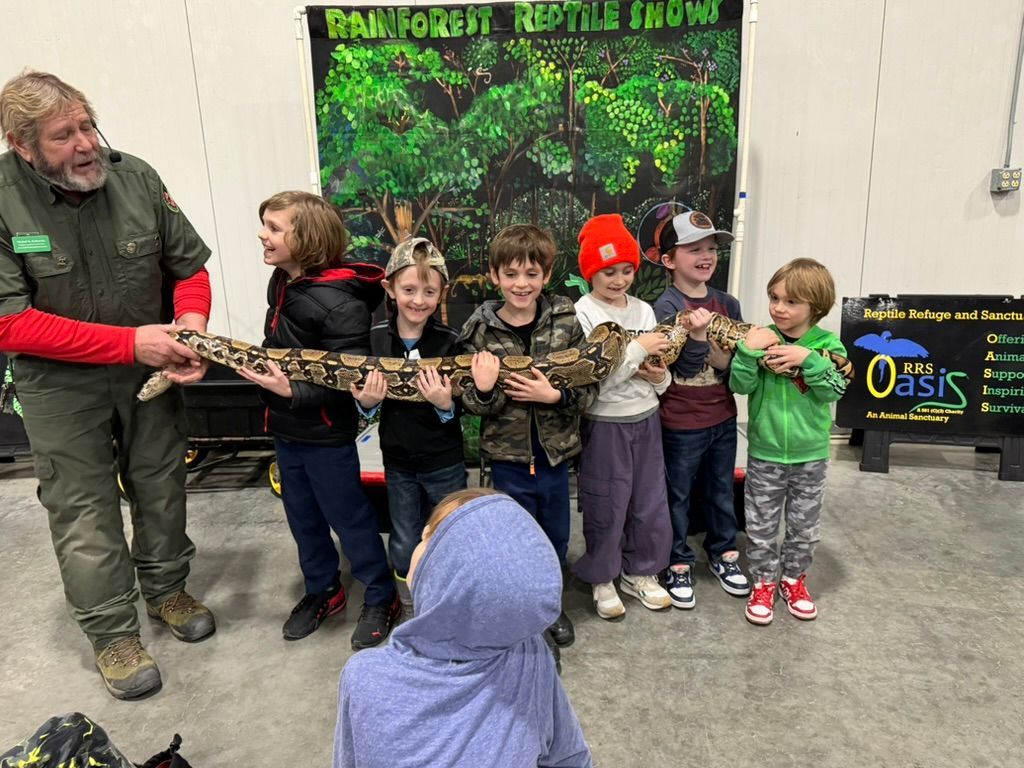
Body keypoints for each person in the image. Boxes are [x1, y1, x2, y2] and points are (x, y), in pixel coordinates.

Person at [0, 70, 215, 699]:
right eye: (64, 136)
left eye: (87, 124)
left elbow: (189, 268)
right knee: (84, 508)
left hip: (149, 370)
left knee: (162, 482)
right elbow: (10, 322)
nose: (87, 143)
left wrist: (191, 328)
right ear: (23, 145)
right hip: (59, 387)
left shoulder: (136, 178)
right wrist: (130, 343)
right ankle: (113, 634)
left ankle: (167, 590)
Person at [238, 190, 399, 648]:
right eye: (263, 224)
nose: (262, 234)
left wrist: (292, 389)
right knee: (302, 516)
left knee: (348, 517)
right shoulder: (282, 282)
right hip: (286, 428)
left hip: (326, 432)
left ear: (306, 238)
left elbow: (349, 377)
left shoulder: (342, 303)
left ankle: (380, 593)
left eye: (273, 228)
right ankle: (323, 589)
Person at [333, 488, 593, 768]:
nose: (419, 540)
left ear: (447, 572)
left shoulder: (365, 678)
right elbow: (572, 757)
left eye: (430, 537)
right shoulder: (532, 655)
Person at [458, 224, 598, 649]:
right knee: (513, 539)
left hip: (555, 458)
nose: (522, 284)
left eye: (532, 274)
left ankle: (549, 606)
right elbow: (469, 404)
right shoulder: (480, 329)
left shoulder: (566, 319)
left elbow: (589, 391)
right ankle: (517, 611)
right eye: (512, 274)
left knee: (555, 536)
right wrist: (483, 390)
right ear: (495, 276)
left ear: (546, 274)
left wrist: (554, 395)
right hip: (506, 459)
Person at [350, 237, 467, 620]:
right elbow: (365, 412)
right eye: (409, 289)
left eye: (429, 291)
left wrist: (445, 404)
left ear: (441, 293)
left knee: (450, 532)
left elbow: (463, 407)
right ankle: (412, 606)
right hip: (398, 461)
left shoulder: (451, 343)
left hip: (444, 461)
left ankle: (450, 602)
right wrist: (366, 404)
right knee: (403, 538)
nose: (419, 300)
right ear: (390, 289)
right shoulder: (373, 340)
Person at [729, 257, 848, 625]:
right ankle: (763, 582)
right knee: (761, 526)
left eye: (791, 301)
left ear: (816, 306)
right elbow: (740, 385)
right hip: (765, 453)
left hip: (810, 455)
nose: (779, 307)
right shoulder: (761, 338)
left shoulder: (829, 345)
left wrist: (808, 359)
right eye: (774, 297)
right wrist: (749, 352)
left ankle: (794, 580)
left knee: (804, 527)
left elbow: (834, 391)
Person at [570, 214, 674, 619]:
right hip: (604, 421)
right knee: (606, 503)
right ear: (591, 272)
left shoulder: (644, 310)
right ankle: (602, 576)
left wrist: (661, 376)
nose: (618, 279)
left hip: (646, 417)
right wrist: (637, 351)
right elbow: (594, 380)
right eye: (608, 271)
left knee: (649, 502)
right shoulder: (582, 313)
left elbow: (658, 371)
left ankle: (641, 572)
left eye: (626, 269)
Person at [653, 210, 750, 610]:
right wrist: (700, 339)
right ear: (670, 260)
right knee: (676, 494)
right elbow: (680, 369)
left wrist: (724, 358)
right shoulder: (663, 307)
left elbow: (737, 364)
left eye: (712, 248)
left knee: (720, 490)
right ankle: (677, 560)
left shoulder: (727, 303)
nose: (706, 255)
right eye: (694, 249)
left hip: (722, 417)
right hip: (679, 421)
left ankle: (724, 552)